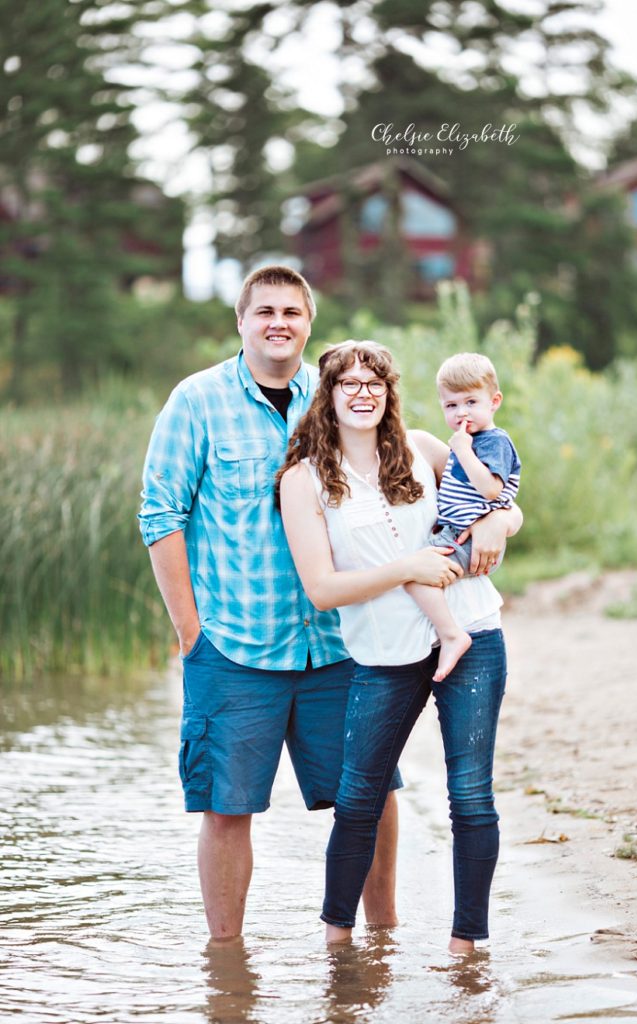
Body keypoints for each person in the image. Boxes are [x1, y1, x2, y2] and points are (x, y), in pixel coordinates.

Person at [138, 265, 455, 941]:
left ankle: (381, 941)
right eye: (264, 312)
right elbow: (159, 515)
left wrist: (491, 518)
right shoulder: (195, 402)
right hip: (234, 644)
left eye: (291, 311)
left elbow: (418, 455)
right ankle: (227, 971)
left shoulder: (338, 389)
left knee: (371, 793)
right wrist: (190, 632)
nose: (278, 322)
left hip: (340, 641)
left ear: (308, 322)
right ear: (241, 321)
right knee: (226, 808)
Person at [278, 340, 522, 954]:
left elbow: (503, 503)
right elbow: (322, 590)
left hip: (472, 633)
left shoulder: (422, 448)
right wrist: (405, 567)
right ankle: (338, 946)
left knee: (469, 794)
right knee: (358, 797)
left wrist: (497, 524)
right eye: (348, 383)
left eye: (374, 383)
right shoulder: (303, 480)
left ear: (388, 392)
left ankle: (467, 950)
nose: (363, 393)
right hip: (383, 654)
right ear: (327, 395)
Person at [405, 351, 521, 683]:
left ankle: (451, 634)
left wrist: (463, 450)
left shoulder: (493, 442)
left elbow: (491, 490)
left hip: (470, 540)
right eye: (451, 406)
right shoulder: (471, 442)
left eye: (471, 402)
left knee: (416, 576)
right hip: (456, 532)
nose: (461, 413)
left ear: (494, 401)